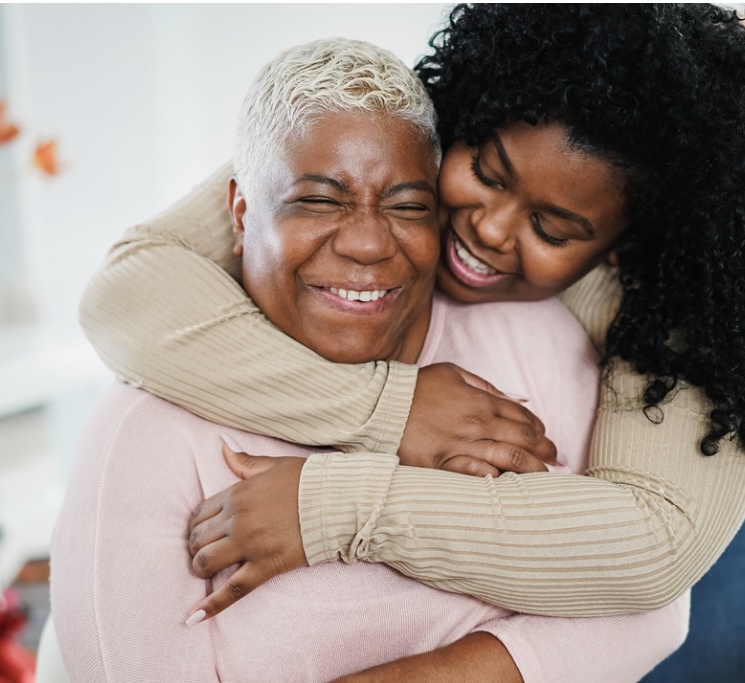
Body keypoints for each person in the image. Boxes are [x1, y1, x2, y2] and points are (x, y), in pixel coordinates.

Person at [79, 5, 745, 682]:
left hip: (737, 494)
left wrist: (332, 503)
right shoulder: (406, 128)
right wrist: (389, 410)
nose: (487, 229)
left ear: (625, 242)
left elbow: (647, 555)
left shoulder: (694, 293)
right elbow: (126, 289)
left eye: (551, 227)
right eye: (488, 173)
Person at [51, 37, 687, 683]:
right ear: (241, 213)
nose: (364, 242)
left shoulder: (535, 341)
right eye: (319, 200)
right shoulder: (147, 432)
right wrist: (391, 409)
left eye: (408, 206)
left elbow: (650, 602)